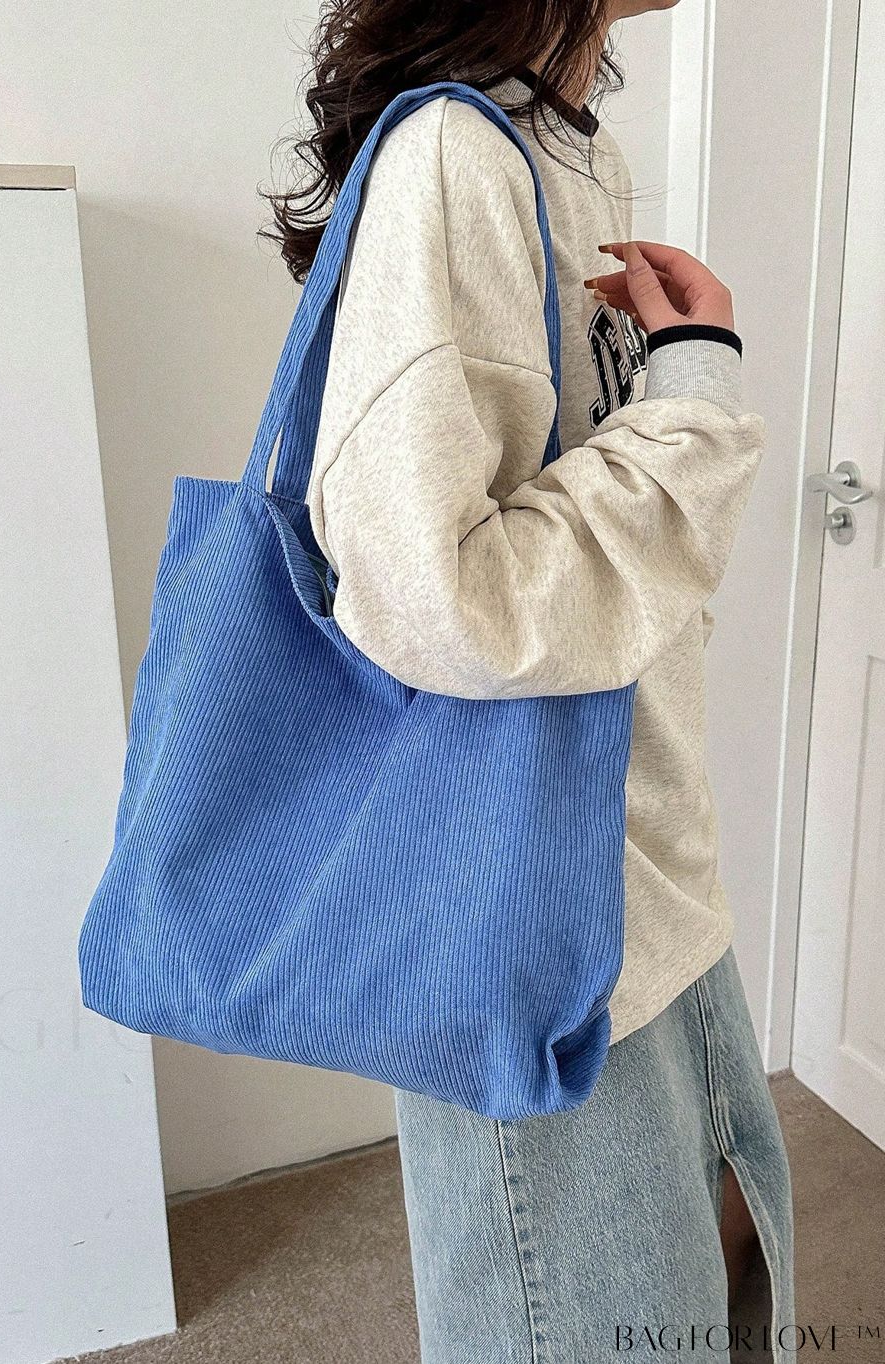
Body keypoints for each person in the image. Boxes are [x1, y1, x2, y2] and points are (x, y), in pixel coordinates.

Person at [264, 2, 795, 1359]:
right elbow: (435, 596)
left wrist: (671, 381)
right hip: (528, 898)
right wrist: (692, 397)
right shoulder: (455, 155)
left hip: (645, 857)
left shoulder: (568, 148)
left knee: (727, 1266)